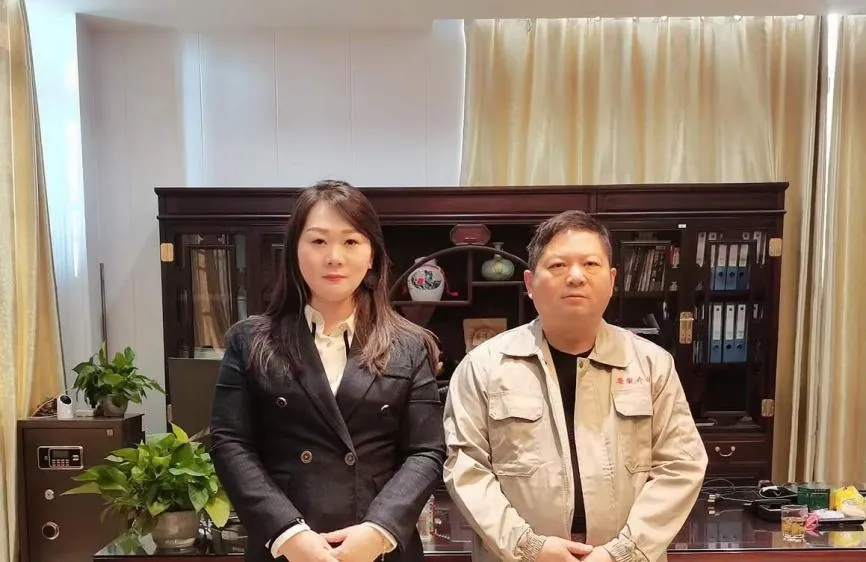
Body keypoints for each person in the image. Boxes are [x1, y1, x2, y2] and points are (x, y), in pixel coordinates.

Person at [442, 210, 708, 562]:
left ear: (612, 280)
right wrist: (529, 547)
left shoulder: (651, 364)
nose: (576, 276)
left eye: (590, 264)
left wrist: (620, 553)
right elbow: (467, 469)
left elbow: (681, 465)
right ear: (529, 282)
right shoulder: (484, 366)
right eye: (558, 265)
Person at [210, 180, 445, 562]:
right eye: (318, 241)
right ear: (294, 251)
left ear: (372, 254)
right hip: (285, 547)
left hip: (378, 548)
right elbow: (230, 443)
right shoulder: (250, 340)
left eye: (351, 241)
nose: (334, 257)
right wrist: (286, 533)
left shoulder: (409, 344)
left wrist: (379, 529)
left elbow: (426, 451)